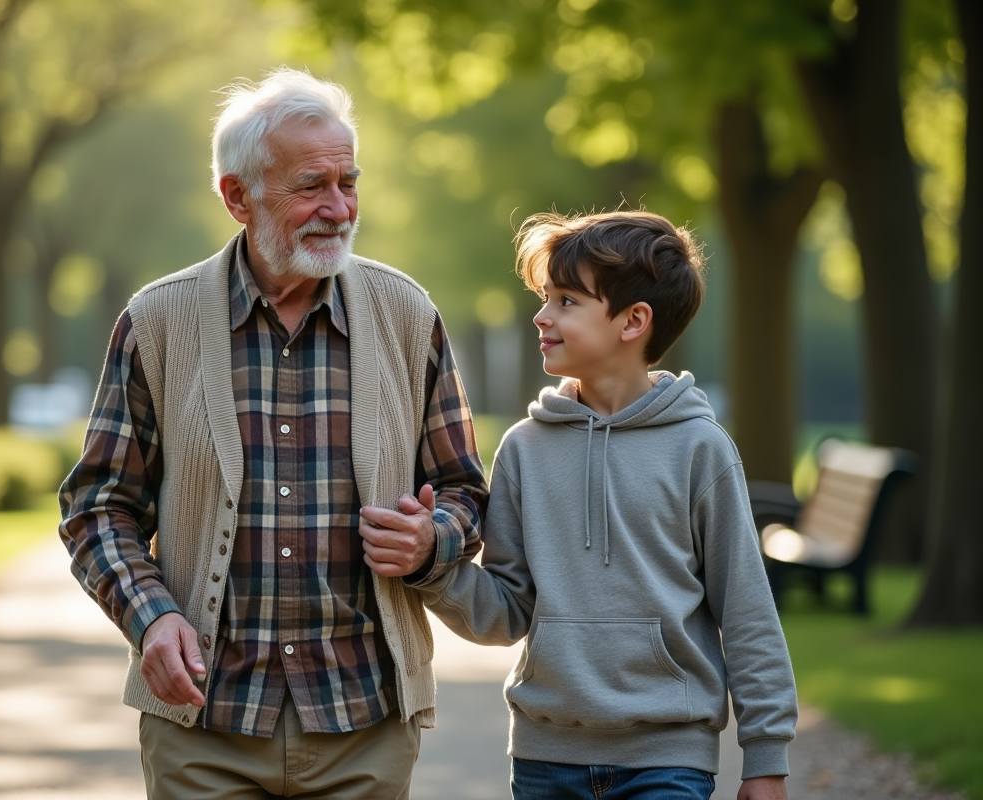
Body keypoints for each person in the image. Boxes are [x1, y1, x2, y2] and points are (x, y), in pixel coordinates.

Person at [58, 68, 487, 800]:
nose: (339, 207)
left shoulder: (407, 314)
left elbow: (465, 492)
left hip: (365, 722)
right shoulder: (156, 323)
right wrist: (152, 619)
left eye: (349, 183)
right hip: (203, 727)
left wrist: (432, 539)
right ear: (236, 195)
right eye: (311, 186)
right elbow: (98, 507)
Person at [409, 210, 797, 800]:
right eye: (545, 297)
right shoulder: (524, 449)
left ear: (633, 321)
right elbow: (506, 611)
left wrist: (765, 759)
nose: (542, 315)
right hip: (545, 758)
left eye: (567, 300)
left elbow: (747, 613)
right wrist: (428, 566)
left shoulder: (701, 449)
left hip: (669, 758)